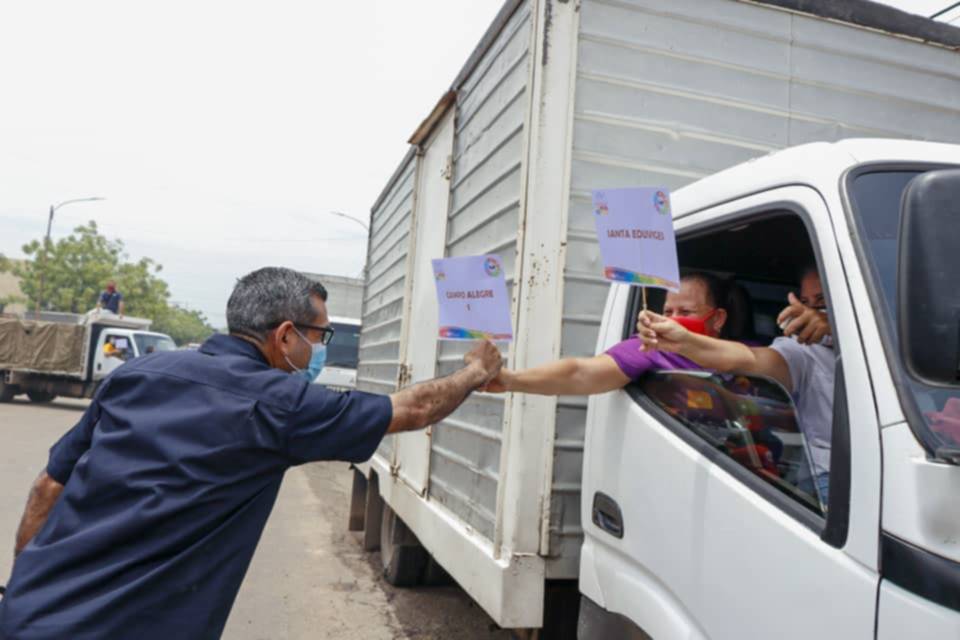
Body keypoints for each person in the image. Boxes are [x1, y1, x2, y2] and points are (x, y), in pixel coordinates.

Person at [0, 266, 502, 639]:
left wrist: (28, 579)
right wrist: (476, 371)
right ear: (285, 335)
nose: (319, 349)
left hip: (28, 611)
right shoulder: (282, 405)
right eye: (320, 336)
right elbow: (413, 409)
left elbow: (49, 484)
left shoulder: (137, 375)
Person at [637, 265, 834, 504]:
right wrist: (684, 342)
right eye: (804, 303)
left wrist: (835, 326)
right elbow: (750, 359)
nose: (810, 313)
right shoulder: (801, 349)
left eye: (822, 303)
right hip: (831, 479)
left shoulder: (874, 334)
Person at [484, 272, 729, 395]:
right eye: (667, 311)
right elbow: (578, 373)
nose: (672, 321)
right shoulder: (650, 348)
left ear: (717, 319)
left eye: (685, 312)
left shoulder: (739, 355)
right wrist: (511, 380)